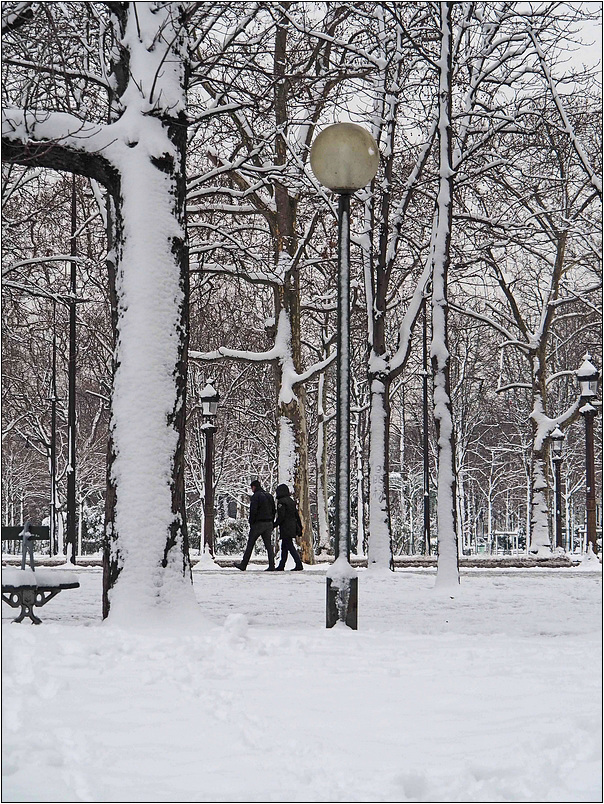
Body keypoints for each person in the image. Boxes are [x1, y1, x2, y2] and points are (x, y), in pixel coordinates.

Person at [235, 479, 276, 571]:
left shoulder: (255, 497)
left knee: (250, 544)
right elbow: (274, 510)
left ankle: (243, 564)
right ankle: (272, 565)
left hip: (258, 524)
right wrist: (271, 521)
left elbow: (253, 511)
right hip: (268, 523)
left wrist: (251, 522)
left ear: (254, 487)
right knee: (268, 545)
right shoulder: (269, 496)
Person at [274, 484, 304, 571]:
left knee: (289, 546)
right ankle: (282, 564)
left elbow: (281, 516)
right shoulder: (291, 501)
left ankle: (298, 564)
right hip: (292, 526)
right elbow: (296, 515)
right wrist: (300, 527)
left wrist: (275, 524)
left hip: (285, 527)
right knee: (285, 546)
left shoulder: (281, 502)